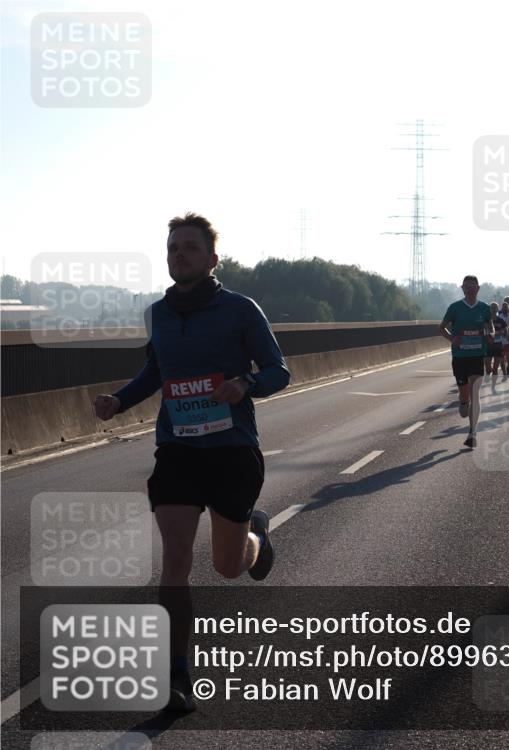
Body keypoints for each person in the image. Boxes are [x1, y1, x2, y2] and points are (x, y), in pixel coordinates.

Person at [93, 212, 291, 712]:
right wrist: (120, 399)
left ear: (212, 258)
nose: (178, 254)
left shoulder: (242, 310)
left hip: (232, 450)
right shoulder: (158, 314)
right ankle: (176, 674)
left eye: (189, 247)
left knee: (227, 567)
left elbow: (278, 370)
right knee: (175, 561)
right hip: (178, 450)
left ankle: (255, 537)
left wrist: (245, 383)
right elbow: (155, 370)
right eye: (173, 247)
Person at [439, 276, 493, 448]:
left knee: (475, 393)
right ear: (462, 288)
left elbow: (489, 327)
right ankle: (463, 402)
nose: (470, 289)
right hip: (460, 357)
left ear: (478, 288)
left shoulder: (484, 308)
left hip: (477, 356)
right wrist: (451, 338)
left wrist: (489, 334)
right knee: (465, 395)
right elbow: (441, 327)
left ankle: (472, 433)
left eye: (473, 286)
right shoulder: (455, 308)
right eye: (467, 286)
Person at [486, 301, 507, 394]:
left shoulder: (500, 320)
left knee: (495, 368)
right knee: (488, 368)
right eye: (492, 307)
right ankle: (487, 374)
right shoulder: (486, 320)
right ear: (489, 309)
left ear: (497, 309)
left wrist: (499, 333)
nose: (493, 309)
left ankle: (493, 388)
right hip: (488, 346)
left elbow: (505, 331)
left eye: (495, 307)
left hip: (498, 345)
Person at [499, 300, 509, 379]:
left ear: (508, 308)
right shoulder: (499, 317)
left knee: (508, 357)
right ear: (501, 308)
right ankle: (504, 373)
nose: (505, 308)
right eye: (503, 307)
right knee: (502, 358)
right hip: (501, 341)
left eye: (506, 307)